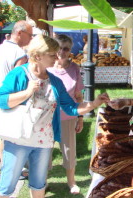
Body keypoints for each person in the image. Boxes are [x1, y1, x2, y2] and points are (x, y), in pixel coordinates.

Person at [0, 34, 109, 198]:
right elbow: (0, 100)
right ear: (37, 56)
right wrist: (26, 93)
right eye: (52, 54)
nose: (57, 57)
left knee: (39, 183)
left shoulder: (54, 81)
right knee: (8, 184)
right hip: (18, 139)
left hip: (44, 141)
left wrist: (95, 103)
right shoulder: (19, 74)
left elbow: (70, 108)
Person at [0, 20, 34, 179]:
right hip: (15, 101)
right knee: (16, 136)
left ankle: (5, 168)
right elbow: (19, 81)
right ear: (20, 33)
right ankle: (17, 169)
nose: (31, 38)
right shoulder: (19, 53)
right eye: (30, 35)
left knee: (2, 136)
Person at [47, 34, 84, 194]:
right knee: (44, 150)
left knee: (69, 150)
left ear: (70, 51)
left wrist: (80, 118)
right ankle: (42, 181)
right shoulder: (47, 67)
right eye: (59, 48)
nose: (62, 52)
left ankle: (71, 182)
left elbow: (79, 96)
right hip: (46, 118)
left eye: (66, 49)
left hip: (67, 117)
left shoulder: (75, 68)